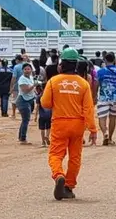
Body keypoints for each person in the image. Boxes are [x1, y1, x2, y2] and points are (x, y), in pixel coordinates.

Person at [41, 49, 98, 200]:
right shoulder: (84, 84)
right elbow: (88, 109)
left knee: (55, 154)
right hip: (78, 125)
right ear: (76, 65)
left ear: (61, 64)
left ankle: (59, 175)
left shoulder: (53, 81)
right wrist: (93, 129)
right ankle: (68, 186)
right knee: (75, 157)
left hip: (59, 123)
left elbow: (45, 103)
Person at [95, 53, 116, 145]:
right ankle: (110, 138)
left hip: (103, 97)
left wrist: (95, 95)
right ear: (114, 60)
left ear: (105, 60)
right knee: (113, 118)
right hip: (115, 97)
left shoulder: (100, 71)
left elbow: (97, 84)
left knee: (102, 117)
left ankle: (105, 133)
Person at [15, 63, 38, 144]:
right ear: (22, 70)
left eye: (28, 69)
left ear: (31, 70)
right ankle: (23, 138)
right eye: (25, 69)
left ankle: (21, 137)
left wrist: (35, 91)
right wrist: (34, 85)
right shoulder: (22, 79)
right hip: (23, 100)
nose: (27, 71)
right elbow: (25, 90)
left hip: (30, 100)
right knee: (26, 120)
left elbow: (32, 89)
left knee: (25, 120)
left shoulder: (31, 77)